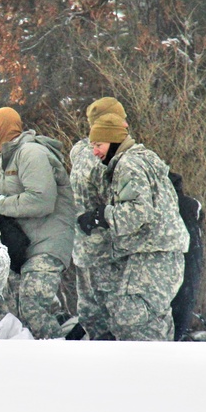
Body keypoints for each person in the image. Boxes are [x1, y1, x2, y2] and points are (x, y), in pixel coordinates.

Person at [76, 97, 189, 341]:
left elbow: (139, 212)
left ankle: (146, 372)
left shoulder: (128, 164)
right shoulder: (140, 157)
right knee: (150, 318)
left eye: (99, 144)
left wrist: (100, 216)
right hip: (160, 251)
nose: (94, 151)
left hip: (154, 252)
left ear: (114, 140)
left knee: (134, 317)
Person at [0, 106, 76, 339]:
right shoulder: (7, 158)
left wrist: (1, 204)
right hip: (29, 244)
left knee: (32, 303)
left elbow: (42, 200)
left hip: (49, 240)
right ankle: (69, 333)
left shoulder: (30, 154)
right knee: (16, 306)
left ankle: (55, 349)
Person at [69, 112, 111, 341]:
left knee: (88, 306)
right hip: (101, 242)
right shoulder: (101, 158)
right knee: (104, 305)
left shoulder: (80, 152)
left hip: (82, 241)